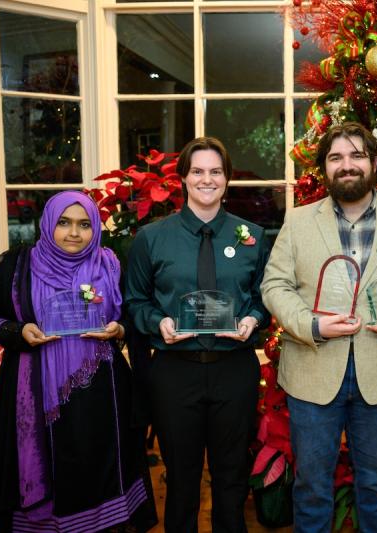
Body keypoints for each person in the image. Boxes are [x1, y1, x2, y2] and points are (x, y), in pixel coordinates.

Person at [260, 122, 377, 532]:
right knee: (312, 485)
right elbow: (275, 284)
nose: (346, 165)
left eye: (356, 156)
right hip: (313, 373)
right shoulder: (299, 221)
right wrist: (312, 325)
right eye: (336, 157)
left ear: (374, 163)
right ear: (324, 167)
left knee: (375, 484)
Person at [0, 190, 157, 532]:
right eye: (64, 223)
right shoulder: (17, 265)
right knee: (45, 467)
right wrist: (19, 330)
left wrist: (119, 329)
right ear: (48, 224)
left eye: (85, 224)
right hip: (34, 387)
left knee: (95, 467)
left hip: (100, 392)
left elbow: (133, 316)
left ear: (95, 228)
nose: (74, 233)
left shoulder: (109, 264)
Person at [125, 136, 270, 533]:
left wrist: (253, 319)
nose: (207, 180)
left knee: (232, 476)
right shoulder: (151, 239)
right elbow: (134, 302)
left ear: (227, 179)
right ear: (184, 179)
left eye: (216, 172)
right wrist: (159, 323)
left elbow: (266, 298)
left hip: (234, 370)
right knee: (181, 479)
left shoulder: (253, 237)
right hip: (175, 372)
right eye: (198, 171)